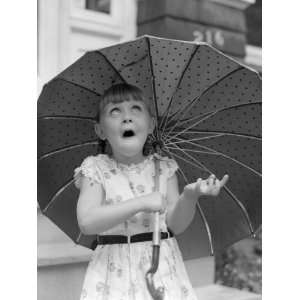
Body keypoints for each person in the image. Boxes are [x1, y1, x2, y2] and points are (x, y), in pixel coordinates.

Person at [74, 83, 229, 300]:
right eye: (115, 111)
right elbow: (87, 221)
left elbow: (175, 224)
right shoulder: (95, 169)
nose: (126, 118)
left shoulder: (164, 168)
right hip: (113, 272)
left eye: (135, 109)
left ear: (150, 125)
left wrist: (189, 196)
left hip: (163, 267)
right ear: (100, 130)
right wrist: (141, 203)